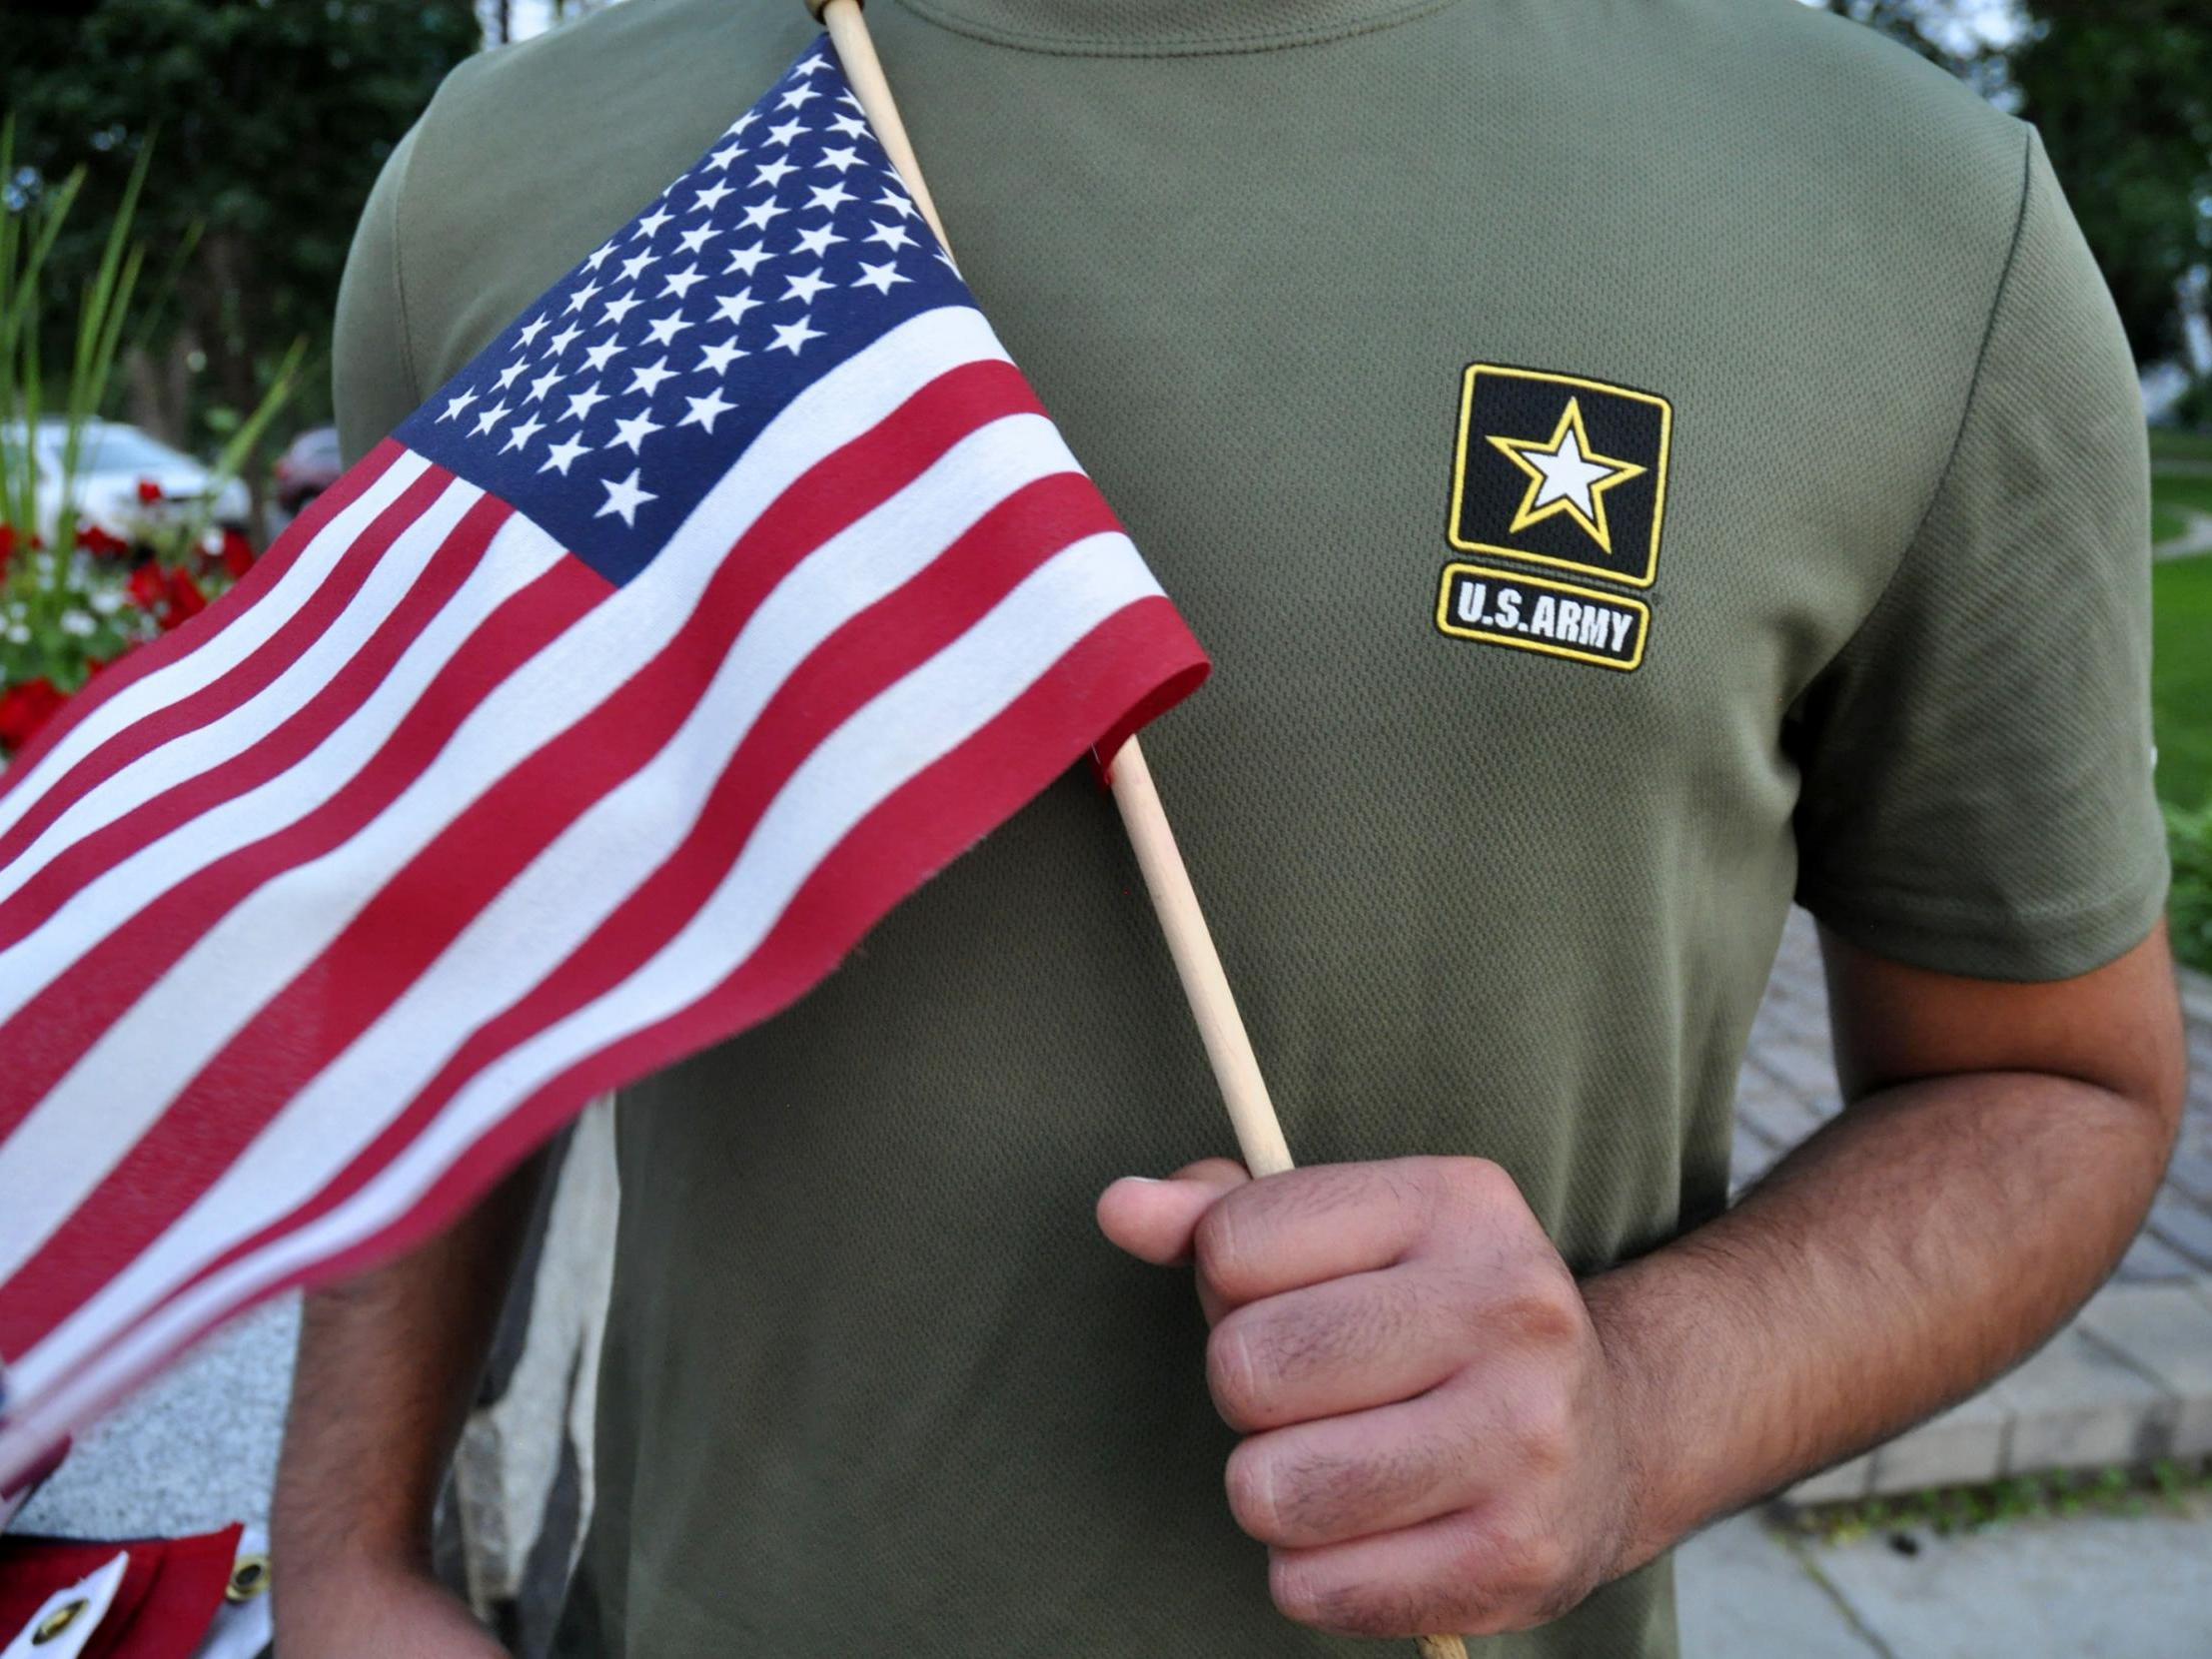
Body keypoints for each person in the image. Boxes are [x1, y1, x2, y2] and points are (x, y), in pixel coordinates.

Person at [270, 0, 2188, 1652]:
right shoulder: (509, 179)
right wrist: (350, 1553)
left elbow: (2051, 1085)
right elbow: (433, 921)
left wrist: (1641, 1403)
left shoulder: (1909, 225)